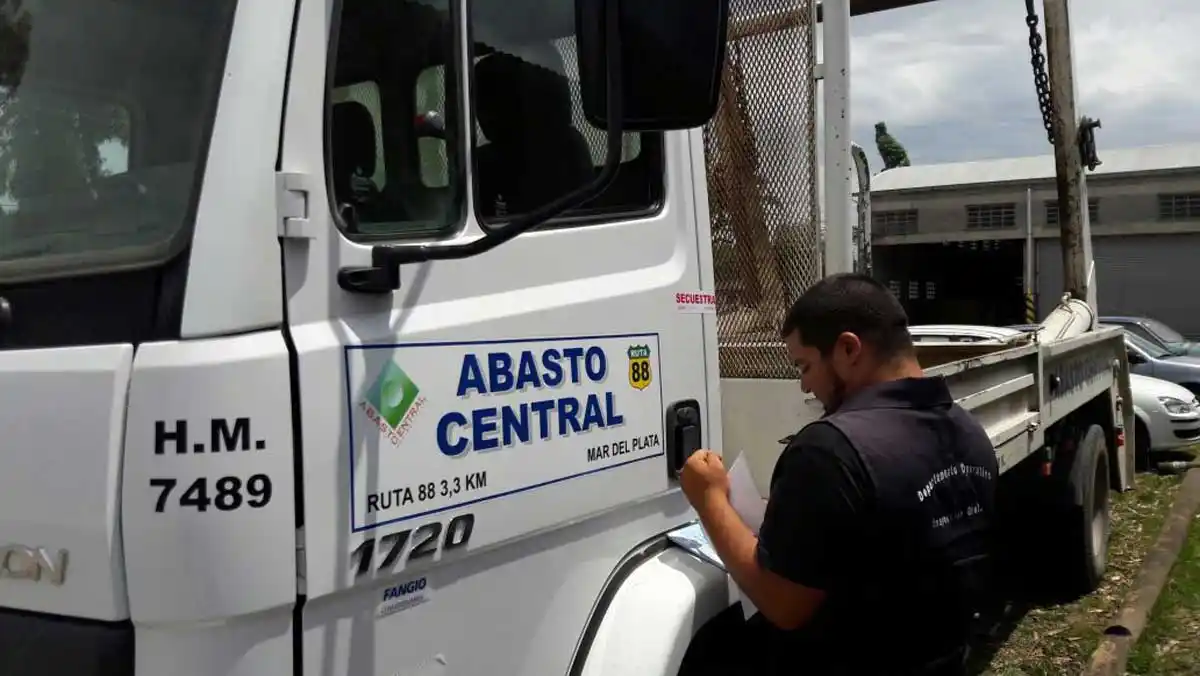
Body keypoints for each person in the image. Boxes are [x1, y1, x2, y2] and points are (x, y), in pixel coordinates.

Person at [678, 273, 999, 675]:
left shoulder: (829, 450)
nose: (804, 385)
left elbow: (783, 604)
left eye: (805, 365)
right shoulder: (970, 433)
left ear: (848, 349)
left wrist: (709, 499)